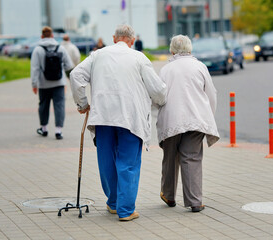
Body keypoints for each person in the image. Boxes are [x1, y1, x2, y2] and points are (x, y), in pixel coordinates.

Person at [70, 24, 166, 221]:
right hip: (130, 118)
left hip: (103, 116)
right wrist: (162, 101)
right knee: (128, 163)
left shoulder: (97, 55)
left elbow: (75, 75)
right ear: (132, 40)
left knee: (107, 161)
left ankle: (113, 203)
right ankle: (126, 210)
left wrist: (82, 104)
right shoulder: (139, 57)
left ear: (114, 38)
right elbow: (157, 89)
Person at [156, 35, 219, 212]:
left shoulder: (166, 70)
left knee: (170, 157)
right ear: (190, 49)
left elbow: (159, 95)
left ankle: (168, 195)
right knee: (191, 156)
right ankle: (195, 201)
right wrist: (208, 117)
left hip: (171, 119)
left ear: (172, 50)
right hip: (196, 118)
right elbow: (211, 94)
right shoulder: (200, 67)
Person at [31, 26, 74, 140]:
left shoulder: (37, 50)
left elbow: (34, 68)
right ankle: (58, 131)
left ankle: (44, 129)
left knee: (43, 105)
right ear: (52, 35)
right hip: (59, 83)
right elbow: (69, 65)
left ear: (42, 36)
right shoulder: (60, 48)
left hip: (43, 83)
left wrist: (34, 84)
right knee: (59, 105)